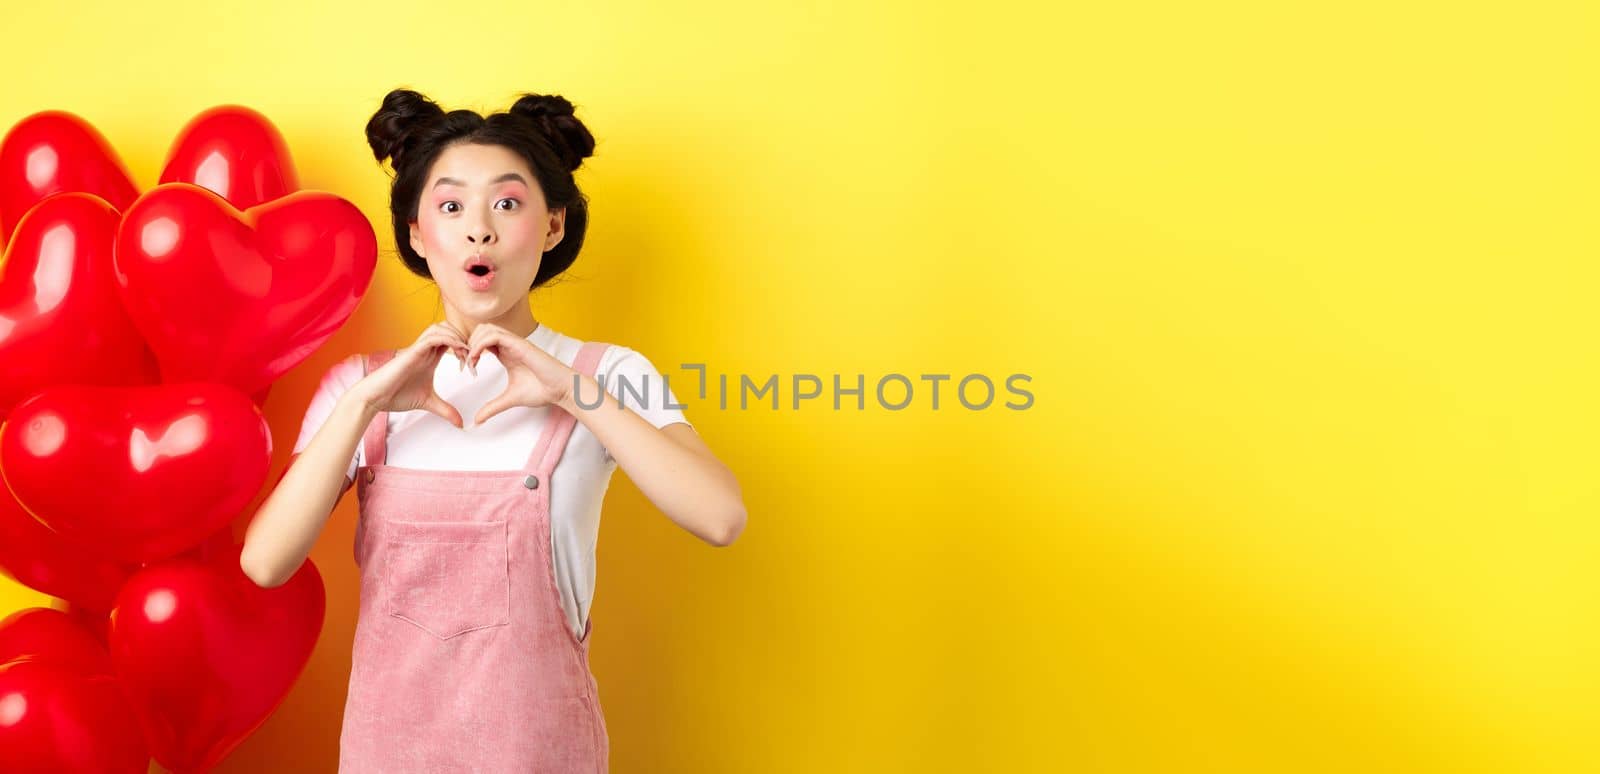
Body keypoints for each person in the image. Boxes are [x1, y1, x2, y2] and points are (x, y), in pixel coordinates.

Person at [239, 88, 747, 772]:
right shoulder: (362, 388)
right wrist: (366, 405)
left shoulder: (605, 374)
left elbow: (720, 515)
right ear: (418, 234)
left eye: (508, 204)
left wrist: (571, 391)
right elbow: (266, 563)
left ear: (553, 226)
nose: (479, 230)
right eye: (450, 207)